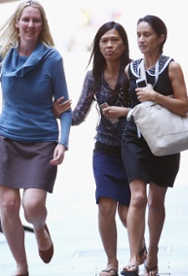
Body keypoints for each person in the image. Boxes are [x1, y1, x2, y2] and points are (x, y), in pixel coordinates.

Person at [0, 1, 72, 275]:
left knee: (33, 205)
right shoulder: (2, 55)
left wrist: (63, 142)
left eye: (36, 21)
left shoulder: (53, 59)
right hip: (5, 139)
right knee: (8, 204)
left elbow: (64, 107)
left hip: (42, 141)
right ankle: (21, 265)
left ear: (42, 25)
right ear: (17, 22)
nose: (30, 25)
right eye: (26, 20)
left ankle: (39, 229)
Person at [54, 21, 146, 276]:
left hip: (134, 148)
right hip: (104, 149)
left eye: (114, 40)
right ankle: (112, 263)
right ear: (98, 45)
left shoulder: (135, 72)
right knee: (105, 205)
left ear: (124, 44)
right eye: (104, 41)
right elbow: (78, 115)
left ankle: (136, 252)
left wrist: (124, 112)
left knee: (127, 211)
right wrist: (56, 113)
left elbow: (149, 111)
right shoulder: (93, 76)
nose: (109, 45)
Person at [120, 15, 188, 276]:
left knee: (156, 200)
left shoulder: (172, 67)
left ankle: (154, 252)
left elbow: (183, 106)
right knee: (137, 197)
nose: (140, 39)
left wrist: (155, 96)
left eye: (146, 34)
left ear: (160, 38)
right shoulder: (131, 70)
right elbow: (131, 107)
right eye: (138, 34)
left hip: (165, 140)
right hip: (135, 138)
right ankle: (134, 255)